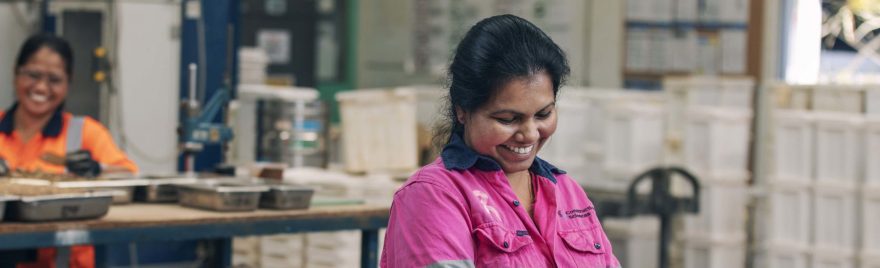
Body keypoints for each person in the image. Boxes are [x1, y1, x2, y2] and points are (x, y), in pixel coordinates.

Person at [381, 15, 620, 268]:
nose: (529, 133)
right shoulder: (433, 196)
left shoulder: (567, 192)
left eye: (543, 114)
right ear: (463, 110)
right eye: (507, 119)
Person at [0, 33, 138, 268]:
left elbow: (129, 178)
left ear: (68, 84)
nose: (41, 87)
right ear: (16, 73)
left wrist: (98, 169)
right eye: (33, 75)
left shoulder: (84, 132)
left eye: (54, 79)